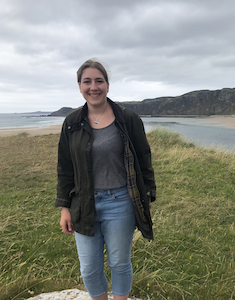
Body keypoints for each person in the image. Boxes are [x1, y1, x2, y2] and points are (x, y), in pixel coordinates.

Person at [55, 59, 156, 300]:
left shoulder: (128, 119)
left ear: (108, 85)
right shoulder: (72, 123)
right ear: (79, 86)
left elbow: (144, 158)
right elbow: (65, 168)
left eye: (99, 81)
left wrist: (148, 196)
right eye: (87, 81)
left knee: (119, 263)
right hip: (84, 203)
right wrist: (64, 208)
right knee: (89, 268)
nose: (94, 87)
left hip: (120, 201)